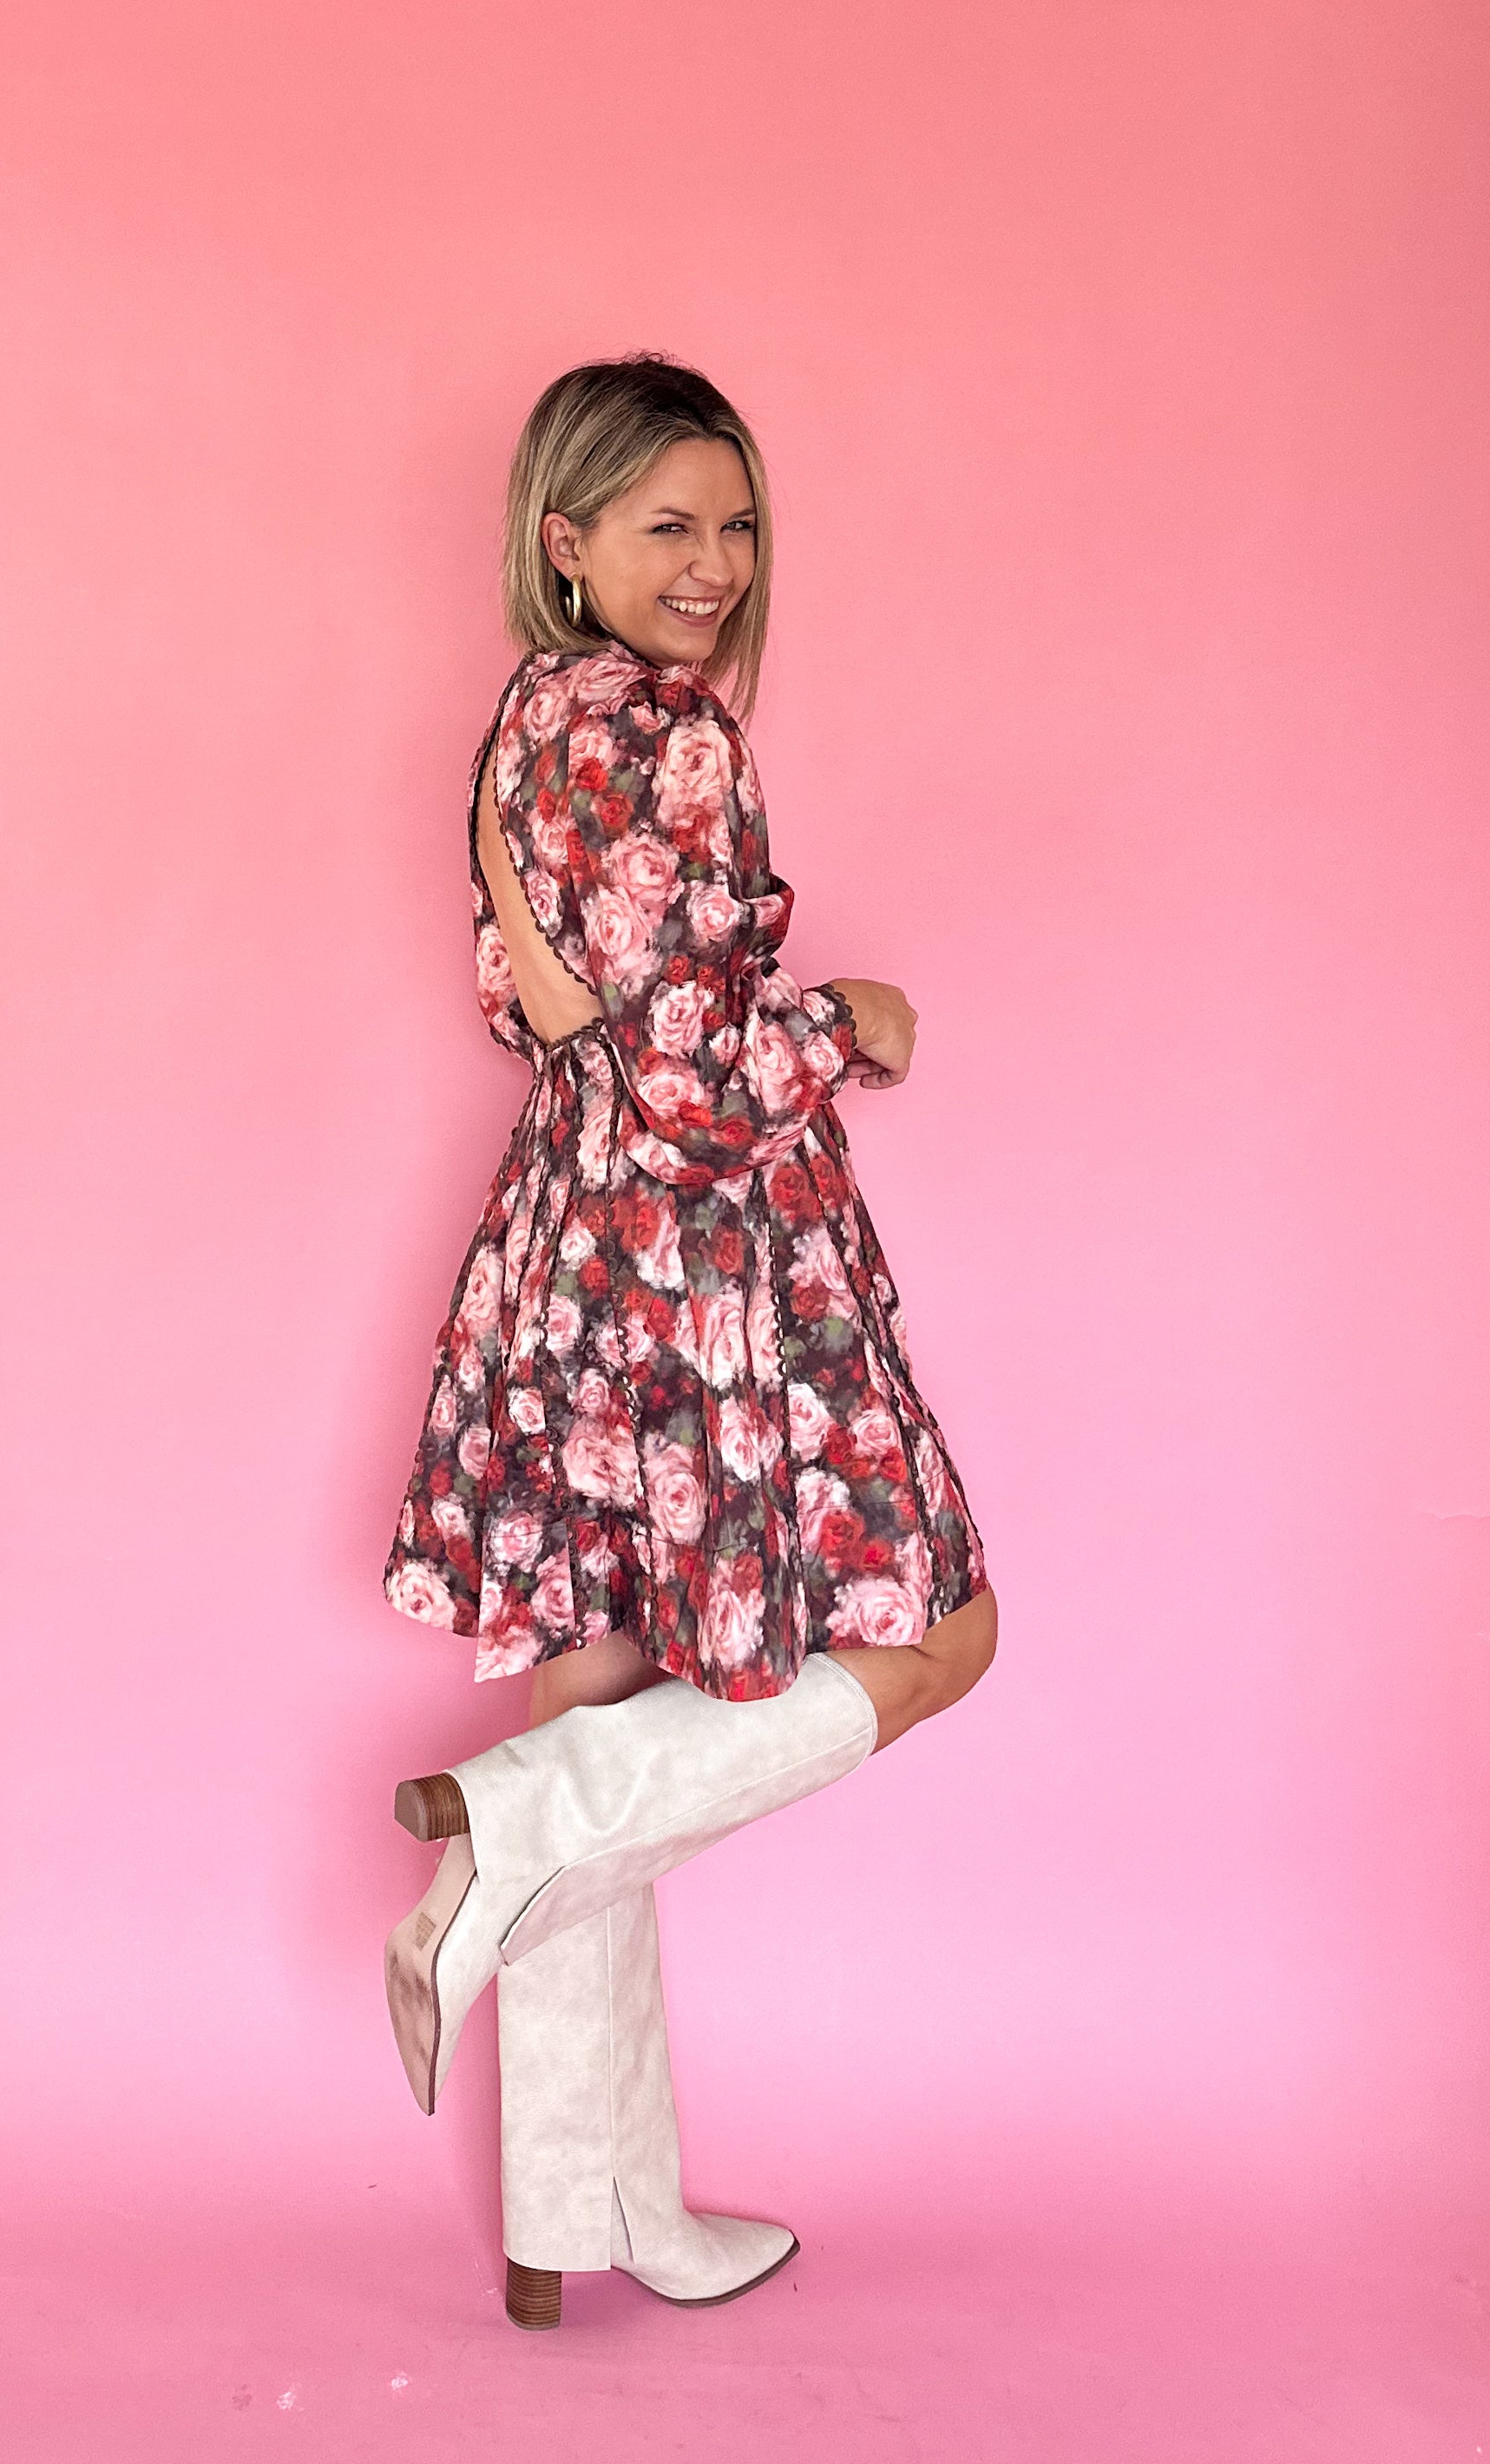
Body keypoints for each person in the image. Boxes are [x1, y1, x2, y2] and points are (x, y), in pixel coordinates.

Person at [381, 353, 997, 2330]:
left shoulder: (522, 723)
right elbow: (695, 1074)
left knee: (595, 1684)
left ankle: (590, 2211)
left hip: (561, 1261)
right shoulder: (668, 734)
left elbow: (530, 1008)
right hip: (700, 1267)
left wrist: (701, 1028)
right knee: (942, 1636)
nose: (714, 563)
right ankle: (511, 1838)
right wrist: (854, 1023)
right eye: (668, 526)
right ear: (565, 541)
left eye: (735, 524)